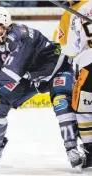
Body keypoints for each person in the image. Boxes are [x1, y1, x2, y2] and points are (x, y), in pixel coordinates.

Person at [0, 6, 85, 169]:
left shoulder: (21, 36)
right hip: (30, 78)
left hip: (57, 70)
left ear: (0, 27)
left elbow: (13, 71)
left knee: (62, 104)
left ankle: (73, 149)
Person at [57, 0, 92, 168]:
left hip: (88, 65)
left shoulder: (70, 14)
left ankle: (90, 152)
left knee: (83, 110)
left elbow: (69, 49)